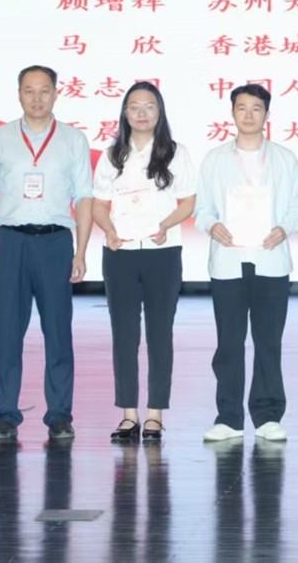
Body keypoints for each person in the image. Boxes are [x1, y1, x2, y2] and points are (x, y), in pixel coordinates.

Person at [0, 65, 93, 441]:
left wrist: (82, 251)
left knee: (58, 332)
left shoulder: (73, 140)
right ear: (18, 93)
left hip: (57, 242)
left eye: (44, 90)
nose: (37, 98)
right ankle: (5, 413)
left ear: (57, 93)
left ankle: (59, 414)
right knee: (8, 331)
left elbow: (85, 198)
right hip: (11, 242)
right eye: (29, 91)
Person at [195, 84, 298, 443]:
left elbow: (295, 207)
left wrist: (283, 229)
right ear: (232, 113)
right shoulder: (214, 159)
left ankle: (268, 414)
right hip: (228, 260)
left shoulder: (285, 158)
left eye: (256, 108)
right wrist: (213, 226)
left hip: (270, 260)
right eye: (241, 108)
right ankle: (228, 417)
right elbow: (202, 210)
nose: (248, 115)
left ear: (266, 115)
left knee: (268, 341)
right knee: (228, 342)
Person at [91, 82, 196, 443]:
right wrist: (108, 230)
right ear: (124, 112)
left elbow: (188, 202)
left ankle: (154, 414)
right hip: (119, 253)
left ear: (159, 112)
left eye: (148, 106)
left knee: (159, 333)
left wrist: (165, 225)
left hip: (161, 251)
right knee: (124, 334)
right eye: (133, 106)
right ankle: (128, 414)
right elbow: (98, 205)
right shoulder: (111, 155)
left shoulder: (175, 153)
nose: (141, 113)